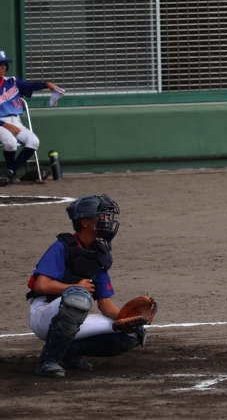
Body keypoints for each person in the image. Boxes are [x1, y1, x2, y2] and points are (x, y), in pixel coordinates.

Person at [26, 194, 147, 378]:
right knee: (78, 297)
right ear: (85, 222)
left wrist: (129, 320)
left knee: (132, 333)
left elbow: (104, 303)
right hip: (43, 313)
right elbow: (41, 285)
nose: (107, 220)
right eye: (102, 216)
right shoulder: (62, 247)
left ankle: (68, 353)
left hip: (72, 316)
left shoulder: (99, 255)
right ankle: (49, 361)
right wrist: (75, 286)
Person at [0, 49, 63, 185]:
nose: (3, 68)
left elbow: (30, 85)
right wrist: (5, 125)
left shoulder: (13, 82)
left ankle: (10, 172)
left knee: (33, 141)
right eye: (0, 65)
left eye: (5, 65)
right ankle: (12, 175)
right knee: (10, 142)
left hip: (15, 121)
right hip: (1, 124)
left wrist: (46, 84)